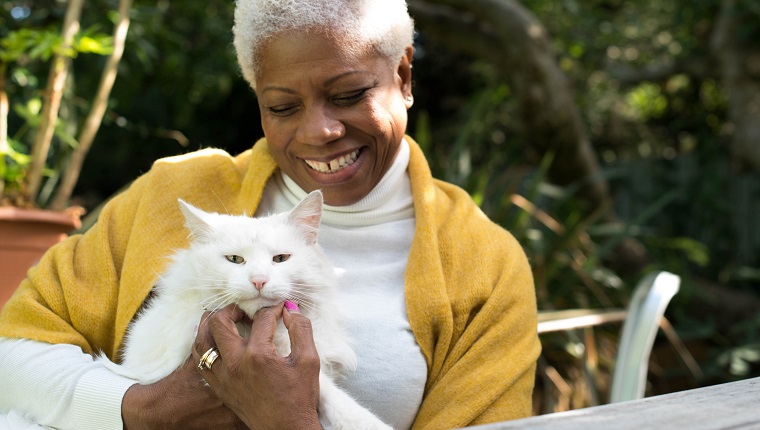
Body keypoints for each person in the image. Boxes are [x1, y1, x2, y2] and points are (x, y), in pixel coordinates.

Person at [0, 0, 541, 428]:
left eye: (349, 94)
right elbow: (12, 354)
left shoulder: (486, 264)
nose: (319, 132)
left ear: (402, 76)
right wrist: (142, 411)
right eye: (282, 106)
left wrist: (291, 423)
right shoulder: (173, 194)